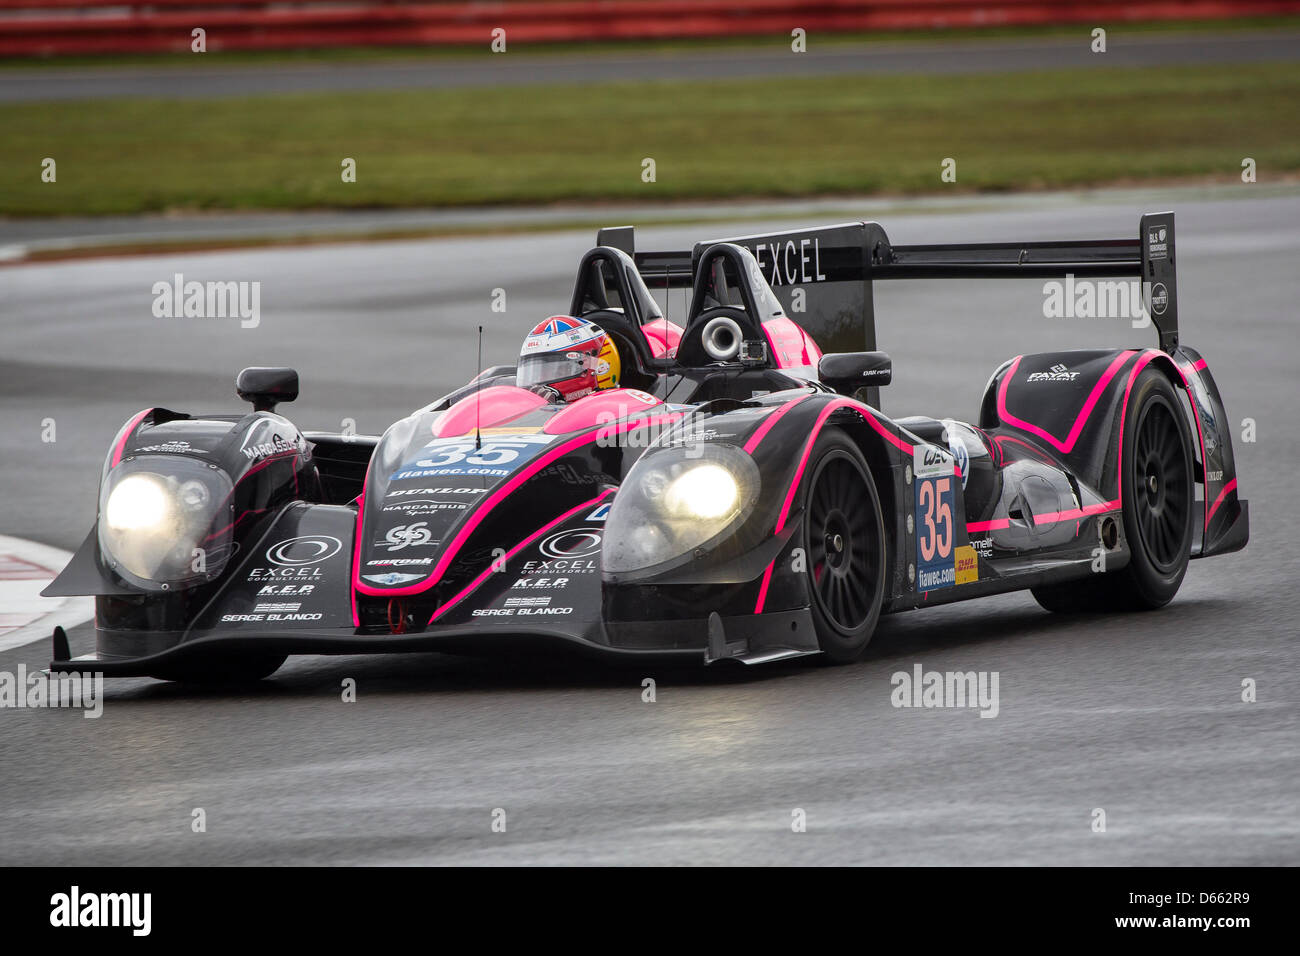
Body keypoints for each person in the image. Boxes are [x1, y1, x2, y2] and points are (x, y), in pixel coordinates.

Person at [516, 315, 620, 402]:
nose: (537, 388)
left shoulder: (621, 412)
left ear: (597, 368)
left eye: (558, 371)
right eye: (537, 373)